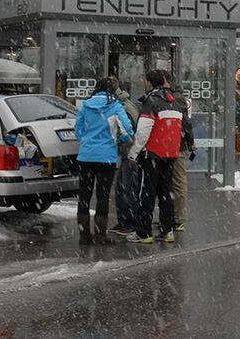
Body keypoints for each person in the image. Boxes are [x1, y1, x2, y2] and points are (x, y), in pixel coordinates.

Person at [73, 77, 134, 245]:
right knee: (103, 194)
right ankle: (101, 235)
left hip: (86, 156)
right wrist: (121, 140)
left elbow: (78, 131)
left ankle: (84, 234)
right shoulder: (115, 106)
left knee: (84, 195)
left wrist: (87, 140)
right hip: (106, 156)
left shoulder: (85, 106)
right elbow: (128, 130)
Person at [127, 69, 184, 244]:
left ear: (149, 83)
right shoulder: (174, 102)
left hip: (152, 154)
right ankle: (167, 230)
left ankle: (144, 233)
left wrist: (133, 153)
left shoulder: (151, 101)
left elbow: (143, 131)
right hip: (170, 154)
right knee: (166, 193)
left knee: (146, 194)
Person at [109, 76, 141, 236]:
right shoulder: (124, 104)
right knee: (122, 189)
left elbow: (129, 132)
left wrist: (117, 141)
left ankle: (130, 223)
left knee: (127, 189)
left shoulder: (123, 107)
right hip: (127, 153)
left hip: (129, 154)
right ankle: (124, 221)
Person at [170, 80, 195, 231]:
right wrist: (190, 141)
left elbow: (185, 123)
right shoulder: (179, 99)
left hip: (174, 145)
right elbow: (186, 123)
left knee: (177, 181)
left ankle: (176, 218)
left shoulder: (174, 99)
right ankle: (176, 218)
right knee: (178, 180)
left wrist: (190, 140)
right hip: (178, 144)